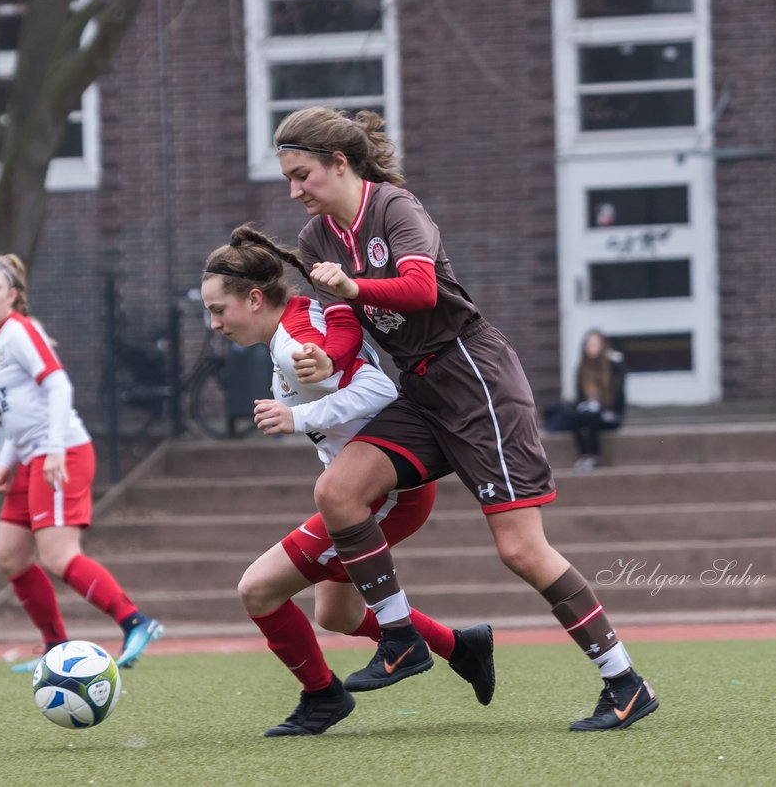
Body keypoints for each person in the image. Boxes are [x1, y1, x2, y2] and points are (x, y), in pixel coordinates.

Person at [275, 107, 658, 731]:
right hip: (421, 391)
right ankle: (399, 638)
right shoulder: (318, 238)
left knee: (522, 551)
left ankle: (624, 681)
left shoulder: (396, 207)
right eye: (288, 179)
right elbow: (345, 324)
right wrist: (325, 357)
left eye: (302, 175)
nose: (294, 192)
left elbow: (421, 289)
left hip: (475, 379)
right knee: (338, 490)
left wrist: (353, 288)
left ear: (338, 164)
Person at [201, 225, 495, 737]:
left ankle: (322, 698)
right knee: (336, 612)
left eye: (218, 309)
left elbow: (379, 389)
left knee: (258, 591)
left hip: (384, 494)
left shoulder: (295, 341)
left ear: (253, 298)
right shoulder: (291, 327)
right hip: (378, 486)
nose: (213, 323)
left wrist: (295, 418)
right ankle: (461, 647)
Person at [0, 253, 163, 672]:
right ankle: (55, 646)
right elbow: (18, 414)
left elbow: (57, 384)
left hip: (62, 454)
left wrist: (55, 447)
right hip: (30, 457)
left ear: (12, 295)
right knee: (10, 556)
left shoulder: (20, 331)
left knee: (58, 555)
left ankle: (136, 622)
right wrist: (6, 460)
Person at [567, 330, 626, 472]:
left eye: (595, 344)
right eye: (588, 344)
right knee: (574, 416)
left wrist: (603, 407)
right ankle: (583, 455)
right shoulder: (582, 368)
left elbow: (619, 396)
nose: (591, 348)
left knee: (591, 417)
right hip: (588, 410)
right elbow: (580, 396)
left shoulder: (613, 366)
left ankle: (594, 456)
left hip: (609, 414)